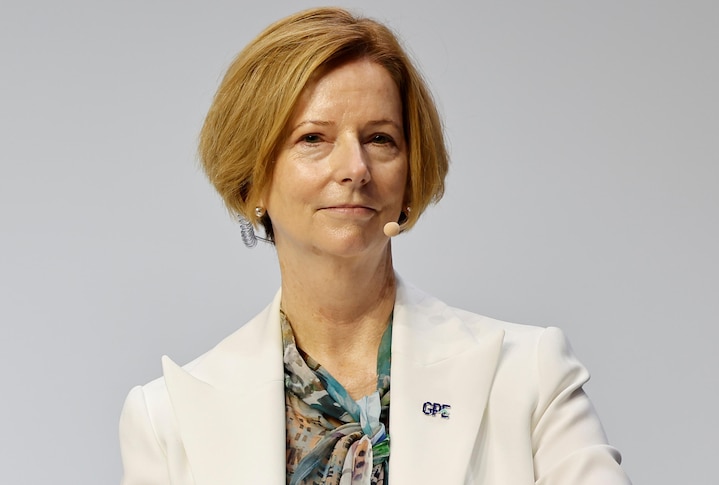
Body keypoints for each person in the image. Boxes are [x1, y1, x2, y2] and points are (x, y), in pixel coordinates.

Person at [118, 7, 631, 485]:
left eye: (380, 139)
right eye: (313, 139)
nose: (355, 169)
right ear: (252, 181)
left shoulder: (528, 375)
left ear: (408, 178)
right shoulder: (168, 418)